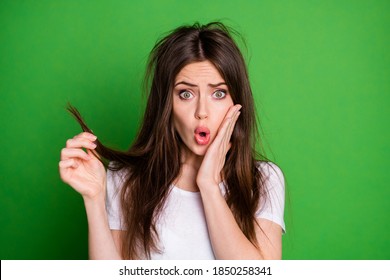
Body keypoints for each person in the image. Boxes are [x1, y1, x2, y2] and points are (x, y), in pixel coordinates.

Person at [59, 22, 285, 260]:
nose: (202, 112)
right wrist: (94, 200)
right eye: (185, 94)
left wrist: (208, 185)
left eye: (219, 93)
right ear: (167, 104)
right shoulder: (127, 180)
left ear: (237, 101)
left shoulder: (263, 180)